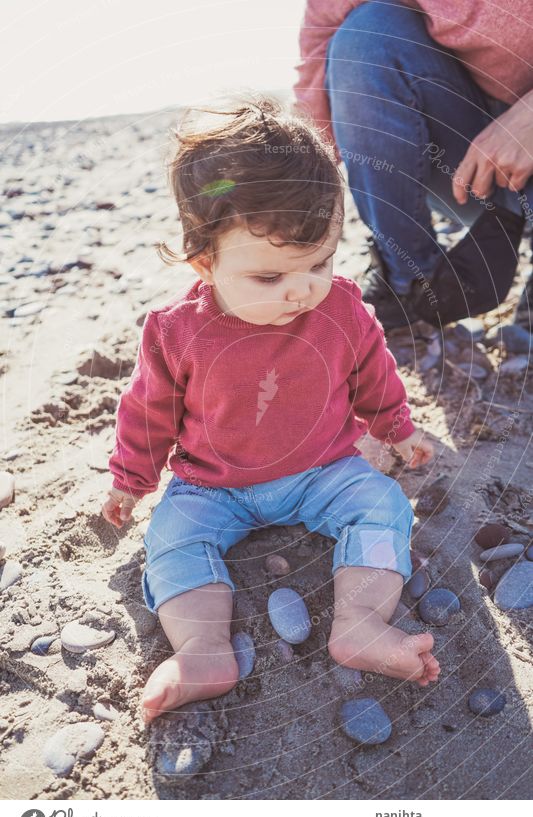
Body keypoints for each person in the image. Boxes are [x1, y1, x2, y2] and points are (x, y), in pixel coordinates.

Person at [101, 94, 439, 728]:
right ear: (205, 262)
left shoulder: (338, 309)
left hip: (321, 470)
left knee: (383, 504)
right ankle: (202, 650)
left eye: (320, 262)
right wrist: (131, 478)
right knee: (172, 539)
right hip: (210, 485)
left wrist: (396, 428)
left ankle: (361, 622)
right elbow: (148, 412)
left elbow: (373, 375)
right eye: (269, 277)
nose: (302, 289)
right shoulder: (178, 331)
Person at [294, 0, 533, 330]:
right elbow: (318, 51)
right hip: (472, 162)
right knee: (366, 34)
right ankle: (413, 284)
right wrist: (292, 183)